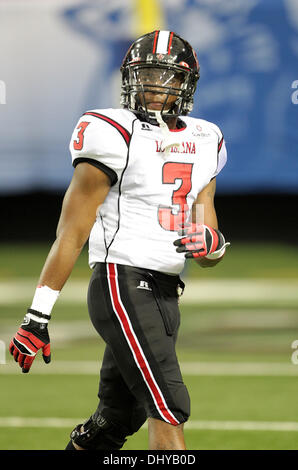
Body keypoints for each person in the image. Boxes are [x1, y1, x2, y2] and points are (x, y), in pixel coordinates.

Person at [9, 30, 229, 450]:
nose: (154, 86)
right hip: (121, 282)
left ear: (186, 85)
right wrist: (37, 316)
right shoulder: (110, 129)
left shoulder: (207, 138)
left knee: (115, 420)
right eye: (146, 74)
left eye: (166, 77)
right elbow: (71, 232)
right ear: (129, 76)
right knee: (168, 406)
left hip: (167, 291)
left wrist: (213, 244)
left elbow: (210, 244)